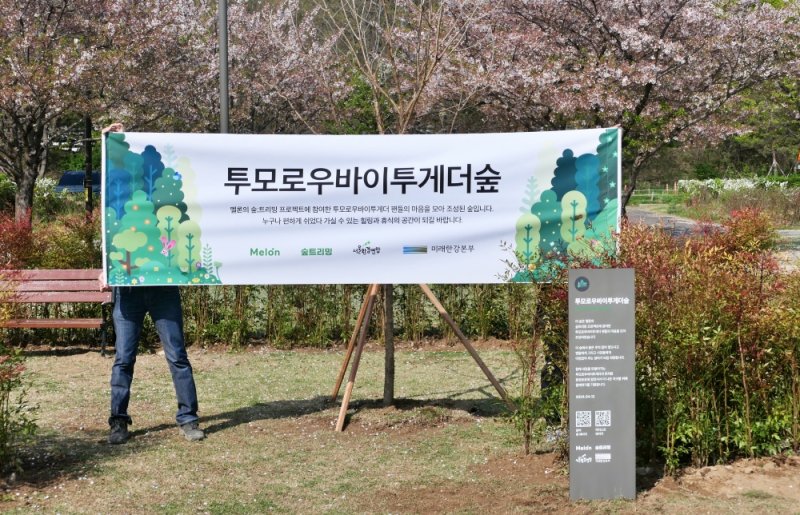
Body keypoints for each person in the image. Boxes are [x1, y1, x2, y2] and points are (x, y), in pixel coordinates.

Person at [101, 122, 204, 444]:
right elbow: (109, 239)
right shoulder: (117, 202)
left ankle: (188, 418)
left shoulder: (169, 205)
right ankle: (118, 421)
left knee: (177, 355)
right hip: (128, 293)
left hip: (163, 291)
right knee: (123, 358)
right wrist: (109, 140)